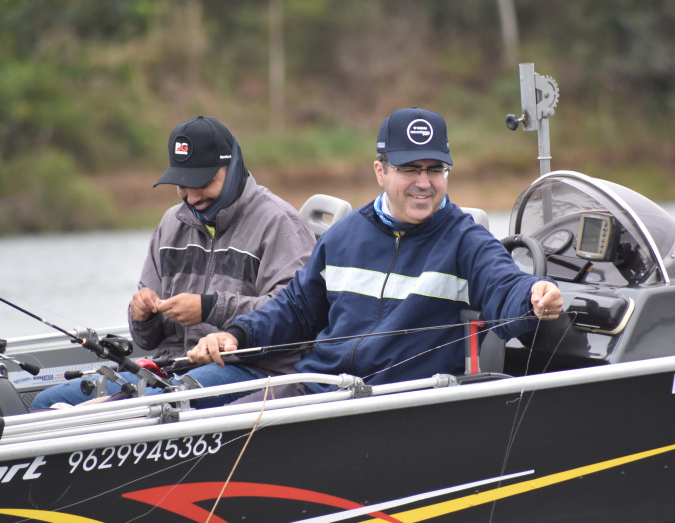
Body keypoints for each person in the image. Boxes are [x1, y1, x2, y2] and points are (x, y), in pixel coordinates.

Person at [186, 107, 562, 396]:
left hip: (395, 405)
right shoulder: (344, 234)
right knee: (203, 413)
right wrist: (237, 335)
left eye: (435, 170)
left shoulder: (468, 239)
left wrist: (534, 295)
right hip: (318, 387)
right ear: (380, 171)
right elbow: (295, 308)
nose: (424, 182)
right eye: (410, 169)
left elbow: (504, 286)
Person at [31, 116, 316, 409]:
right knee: (47, 401)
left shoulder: (280, 223)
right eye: (182, 184)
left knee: (150, 407)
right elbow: (146, 339)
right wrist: (143, 315)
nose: (191, 197)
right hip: (173, 368)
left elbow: (297, 315)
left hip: (254, 371)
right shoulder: (170, 223)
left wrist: (210, 307)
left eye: (202, 182)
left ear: (233, 169)